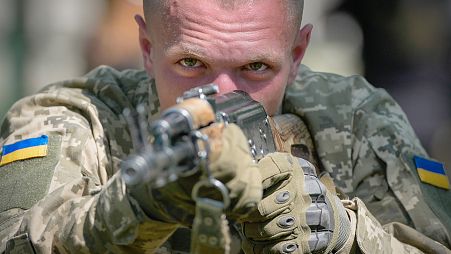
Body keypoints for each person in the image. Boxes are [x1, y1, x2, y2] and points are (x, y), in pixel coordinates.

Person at [0, 0, 450, 253]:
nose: (219, 94)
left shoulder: (354, 118)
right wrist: (141, 205)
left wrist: (338, 232)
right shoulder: (78, 117)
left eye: (255, 67)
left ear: (296, 56)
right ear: (146, 47)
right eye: (191, 62)